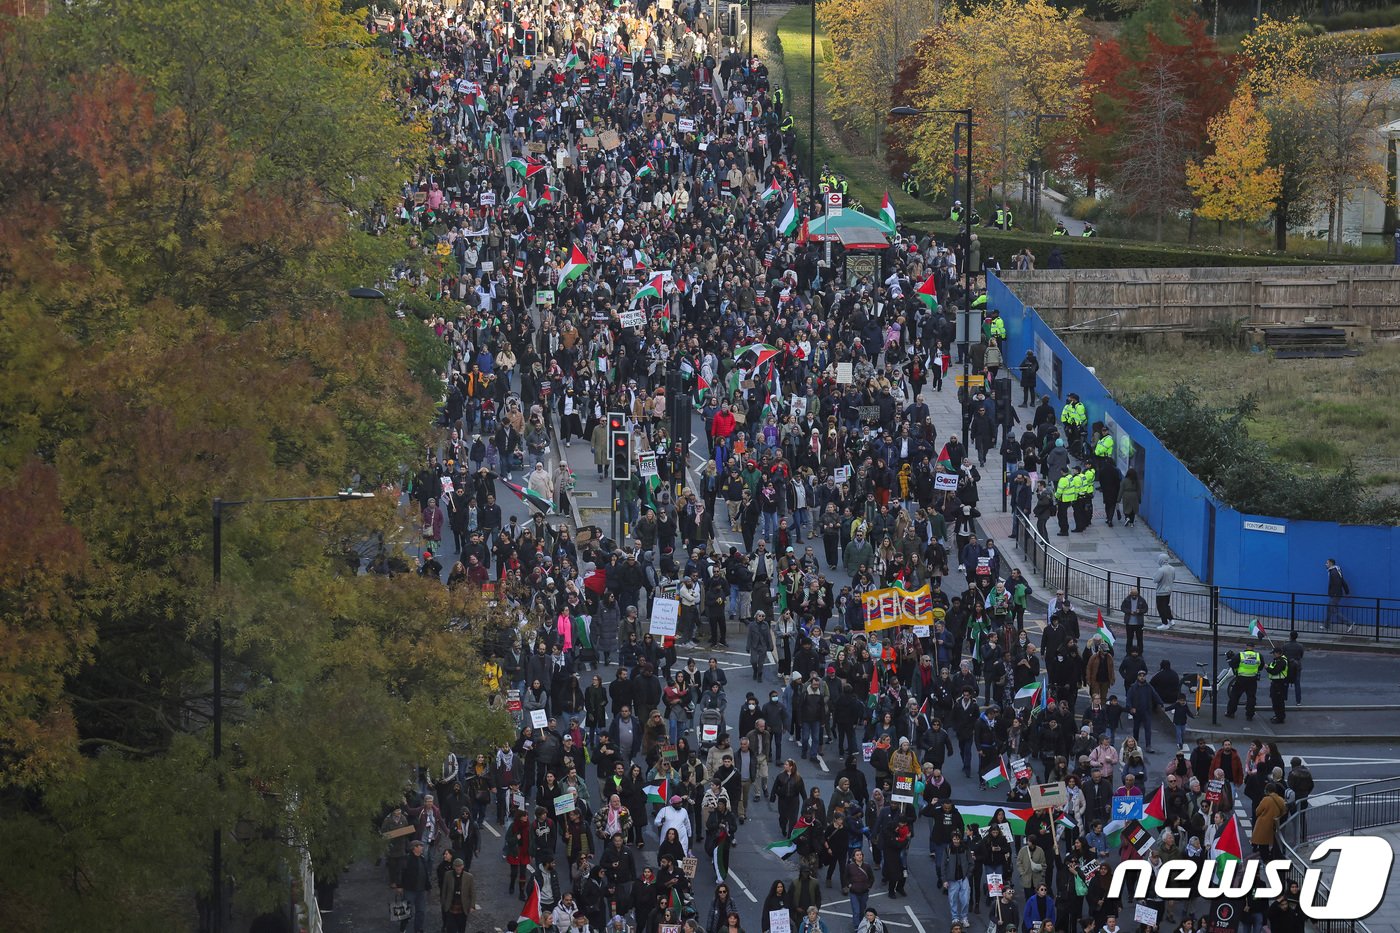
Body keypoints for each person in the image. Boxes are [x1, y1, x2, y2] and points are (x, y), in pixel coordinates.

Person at [394, 839, 433, 933]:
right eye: (420, 845)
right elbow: (400, 872)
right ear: (414, 848)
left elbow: (426, 874)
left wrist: (428, 887)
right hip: (409, 890)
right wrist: (399, 885)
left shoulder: (422, 859)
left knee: (421, 911)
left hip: (421, 890)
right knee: (406, 910)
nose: (422, 847)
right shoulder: (406, 859)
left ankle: (418, 929)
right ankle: (402, 928)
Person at [1225, 646, 1262, 721]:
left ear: (1246, 647)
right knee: (1251, 697)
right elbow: (1260, 667)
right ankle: (1250, 715)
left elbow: (1232, 664)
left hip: (1241, 678)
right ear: (1253, 648)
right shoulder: (1258, 655)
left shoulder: (1241, 655)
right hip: (1252, 679)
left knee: (1234, 696)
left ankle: (1230, 713)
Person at [440, 857, 476, 933]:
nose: (458, 868)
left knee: (461, 929)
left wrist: (472, 905)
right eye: (456, 866)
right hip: (450, 907)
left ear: (463, 866)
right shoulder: (448, 875)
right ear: (454, 866)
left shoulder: (469, 877)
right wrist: (443, 903)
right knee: (451, 929)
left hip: (463, 908)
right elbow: (444, 891)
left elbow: (472, 892)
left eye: (460, 866)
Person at [1324, 558, 1352, 631]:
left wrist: (1336, 594)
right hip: (1335, 594)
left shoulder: (1334, 572)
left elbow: (1338, 583)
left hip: (1335, 594)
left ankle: (1349, 624)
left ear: (1331, 564)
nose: (1325, 564)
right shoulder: (1336, 571)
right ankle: (1326, 625)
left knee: (1333, 610)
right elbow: (1342, 581)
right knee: (1329, 608)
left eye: (1327, 563)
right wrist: (1347, 591)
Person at [1265, 648, 1291, 724]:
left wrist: (1267, 667)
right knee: (1275, 700)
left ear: (1279, 653)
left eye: (1274, 653)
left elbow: (1274, 671)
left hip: (1279, 684)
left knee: (1278, 702)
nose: (1273, 655)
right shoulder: (1278, 660)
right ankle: (1278, 715)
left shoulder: (1281, 662)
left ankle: (1280, 718)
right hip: (1276, 683)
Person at [1120, 588, 1148, 655]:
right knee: (1129, 639)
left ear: (1137, 594)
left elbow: (1146, 609)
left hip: (1139, 623)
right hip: (1129, 623)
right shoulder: (1127, 600)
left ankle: (1140, 652)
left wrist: (1140, 611)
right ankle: (1128, 652)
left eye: (1135, 595)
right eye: (1133, 595)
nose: (1134, 596)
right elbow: (1122, 608)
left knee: (1140, 639)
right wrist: (1130, 612)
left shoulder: (1142, 600)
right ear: (1130, 594)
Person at [1152, 554, 1175, 630]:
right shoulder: (1172, 568)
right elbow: (1173, 578)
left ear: (1161, 560)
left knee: (1161, 608)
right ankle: (1171, 620)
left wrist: (1154, 575)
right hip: (1168, 590)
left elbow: (1155, 580)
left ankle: (1164, 623)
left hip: (1161, 591)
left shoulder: (1161, 570)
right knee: (1166, 606)